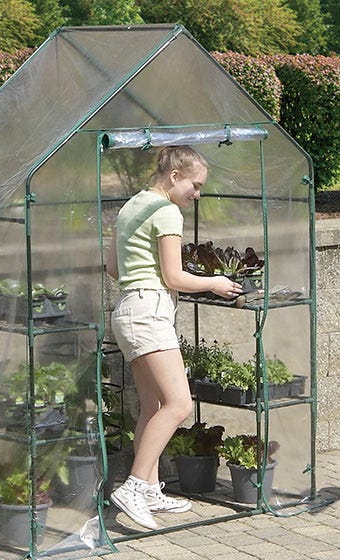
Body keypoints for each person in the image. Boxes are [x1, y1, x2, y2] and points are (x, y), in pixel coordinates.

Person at [104, 145, 243, 530]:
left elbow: (114, 267)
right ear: (175, 176)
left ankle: (147, 488)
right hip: (149, 313)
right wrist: (215, 283)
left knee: (152, 406)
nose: (197, 195)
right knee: (179, 404)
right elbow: (174, 277)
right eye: (195, 186)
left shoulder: (132, 204)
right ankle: (132, 487)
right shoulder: (166, 211)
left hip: (129, 310)